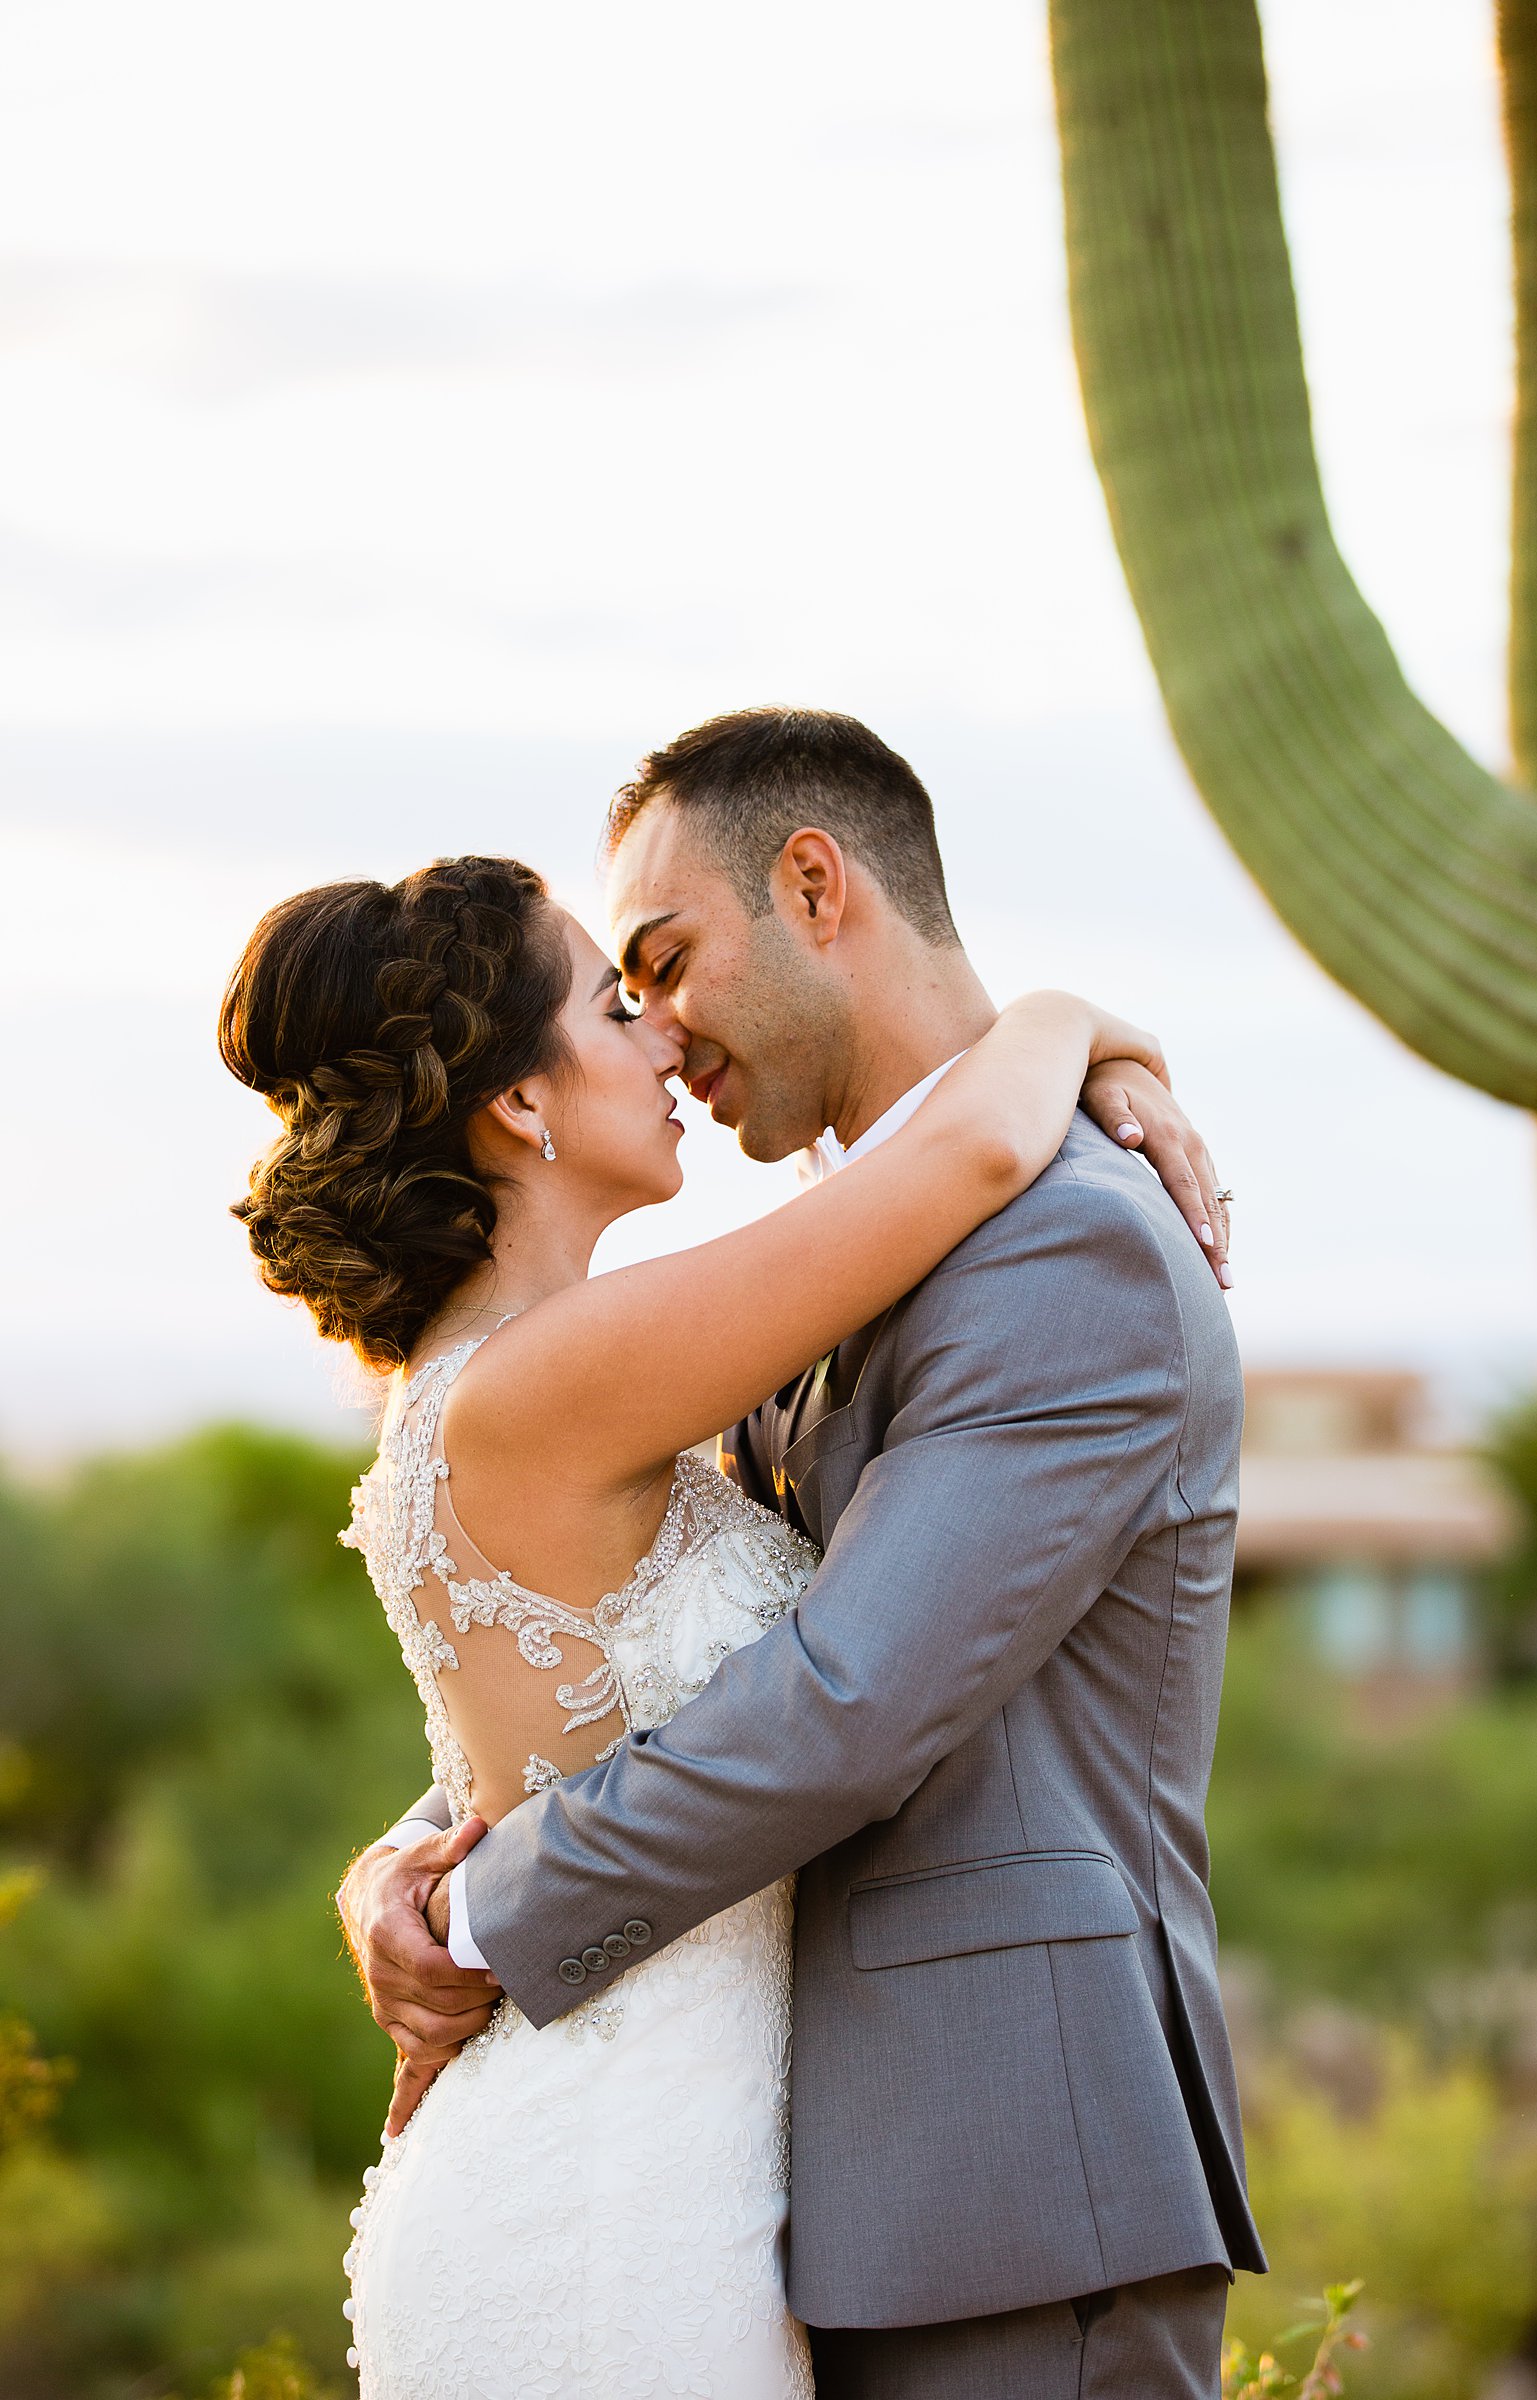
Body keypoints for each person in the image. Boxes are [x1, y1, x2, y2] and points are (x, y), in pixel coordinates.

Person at [259, 712, 1258, 2399]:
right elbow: (631, 1651)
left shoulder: (1064, 1247)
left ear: (813, 887)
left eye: (664, 963)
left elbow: (843, 1701)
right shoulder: (797, 1280)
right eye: (616, 996)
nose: (659, 1031)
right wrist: (414, 1854)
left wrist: (483, 1905)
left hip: (1010, 2179)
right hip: (767, 2186)